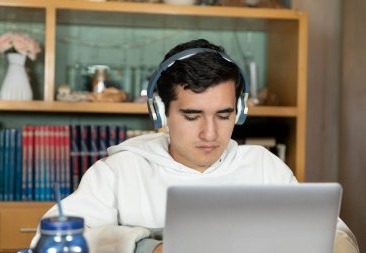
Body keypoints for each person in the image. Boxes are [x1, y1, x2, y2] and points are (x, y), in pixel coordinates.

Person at [31, 39, 359, 253]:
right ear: (161, 112)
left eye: (224, 115)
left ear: (240, 111)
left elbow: (339, 237)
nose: (210, 133)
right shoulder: (120, 171)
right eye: (192, 115)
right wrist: (144, 245)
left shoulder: (263, 166)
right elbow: (47, 243)